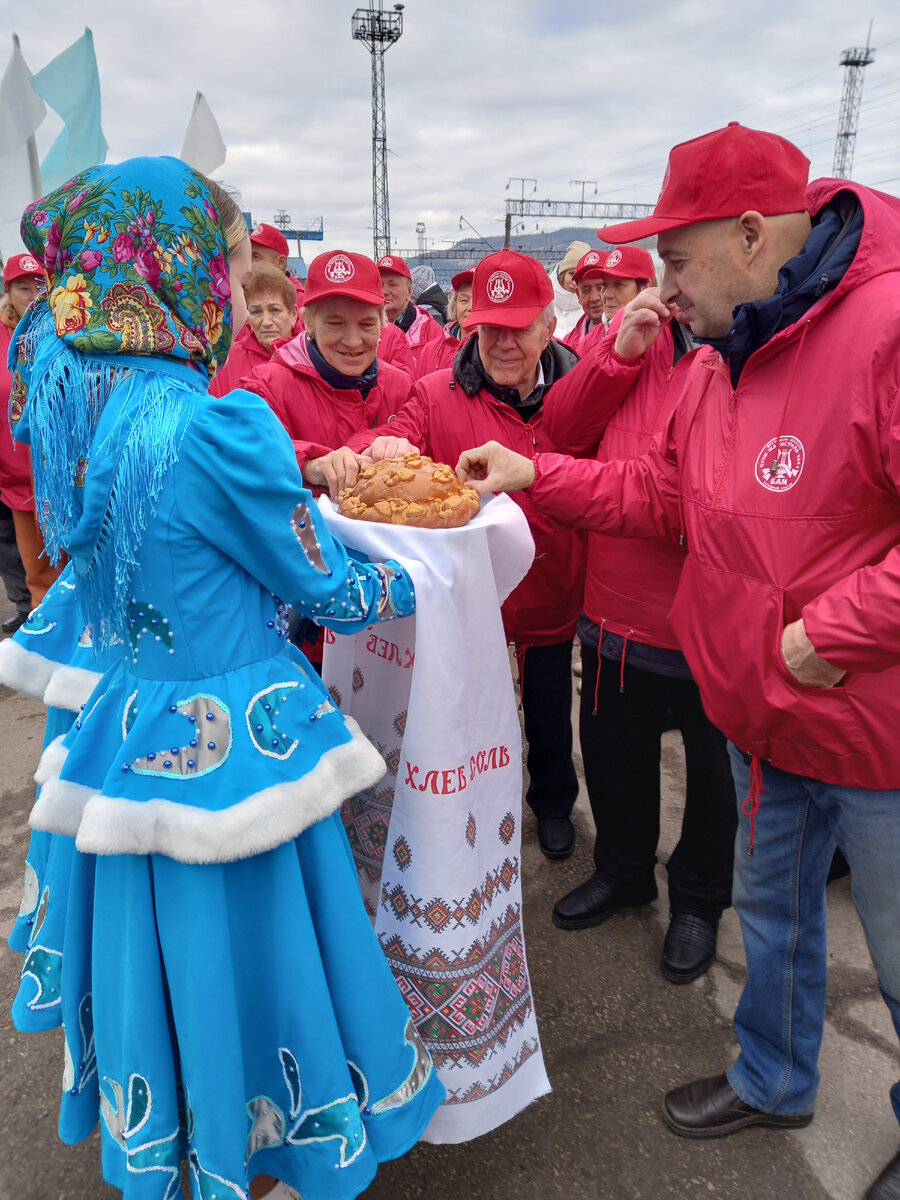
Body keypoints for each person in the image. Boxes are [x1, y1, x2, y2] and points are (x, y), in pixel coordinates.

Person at [456, 121, 900, 1200]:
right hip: (766, 716)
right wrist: (534, 473)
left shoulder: (885, 328)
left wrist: (830, 633)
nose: (660, 285)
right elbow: (662, 498)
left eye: (675, 258)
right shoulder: (720, 363)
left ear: (752, 235)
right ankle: (774, 1076)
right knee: (780, 921)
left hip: (874, 731)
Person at [6, 156, 444, 1200]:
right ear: (182, 268)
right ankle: (264, 1151)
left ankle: (190, 1133)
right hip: (233, 745)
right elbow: (328, 587)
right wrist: (425, 574)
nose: (239, 286)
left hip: (125, 727)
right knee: (261, 953)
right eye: (232, 261)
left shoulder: (88, 401)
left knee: (165, 958)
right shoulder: (217, 420)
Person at [332, 249, 586, 860]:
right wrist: (376, 444)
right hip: (468, 596)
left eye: (518, 328)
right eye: (490, 327)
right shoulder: (433, 390)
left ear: (549, 326)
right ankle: (459, 806)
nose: (502, 343)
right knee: (462, 707)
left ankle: (552, 804)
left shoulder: (580, 390)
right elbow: (389, 436)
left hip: (552, 581)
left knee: (551, 710)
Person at [543, 289, 737, 983]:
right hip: (614, 610)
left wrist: (541, 477)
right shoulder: (632, 339)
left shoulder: (739, 353)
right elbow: (558, 430)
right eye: (668, 259)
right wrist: (615, 358)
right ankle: (624, 870)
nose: (676, 281)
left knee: (715, 780)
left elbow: (675, 497)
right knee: (614, 756)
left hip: (707, 619)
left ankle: (699, 900)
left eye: (684, 258)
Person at [1, 252, 61, 609]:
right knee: (37, 573)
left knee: (76, 563)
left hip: (66, 475)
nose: (33, 295)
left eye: (40, 285)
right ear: (9, 292)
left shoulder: (66, 330)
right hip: (17, 475)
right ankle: (44, 640)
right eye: (23, 287)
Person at [209, 261, 299, 397]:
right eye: (256, 311)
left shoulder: (310, 359)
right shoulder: (226, 362)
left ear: (293, 314)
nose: (266, 322)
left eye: (275, 310)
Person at [563, 246, 655, 354]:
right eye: (605, 286)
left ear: (644, 288)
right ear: (578, 294)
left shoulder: (667, 335)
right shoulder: (588, 340)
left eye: (618, 285)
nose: (606, 295)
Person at [376, 254, 443, 367]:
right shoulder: (364, 327)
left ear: (409, 291)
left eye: (392, 284)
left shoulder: (430, 330)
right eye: (379, 284)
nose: (385, 291)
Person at [412, 267, 474, 378]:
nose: (470, 307)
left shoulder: (500, 352)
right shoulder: (430, 351)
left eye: (478, 301)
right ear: (454, 306)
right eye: (464, 300)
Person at [250, 220, 305, 305]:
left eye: (256, 257)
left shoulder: (297, 299)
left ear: (280, 262)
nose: (249, 264)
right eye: (248, 257)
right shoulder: (247, 290)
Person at [548, 239, 589, 340]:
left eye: (580, 276)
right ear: (562, 274)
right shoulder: (545, 301)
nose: (574, 281)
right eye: (571, 273)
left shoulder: (593, 308)